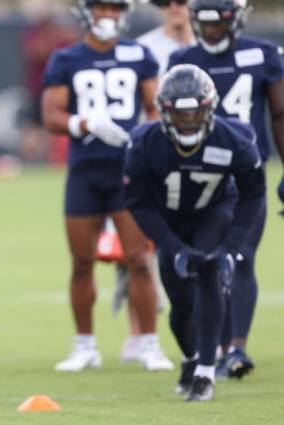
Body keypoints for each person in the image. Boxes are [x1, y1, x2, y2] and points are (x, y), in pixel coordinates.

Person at [41, 0, 172, 372]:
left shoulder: (139, 54)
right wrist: (84, 123)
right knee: (82, 261)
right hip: (85, 171)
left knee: (139, 259)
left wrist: (145, 141)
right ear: (87, 12)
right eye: (102, 8)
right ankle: (85, 345)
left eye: (116, 9)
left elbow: (154, 108)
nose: (109, 16)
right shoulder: (66, 59)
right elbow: (51, 115)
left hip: (129, 171)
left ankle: (147, 342)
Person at [124, 64, 265, 401]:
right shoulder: (144, 144)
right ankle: (190, 358)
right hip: (169, 219)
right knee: (181, 304)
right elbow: (139, 204)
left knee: (209, 269)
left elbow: (253, 194)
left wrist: (231, 247)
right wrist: (172, 246)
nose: (188, 122)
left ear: (210, 108)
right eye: (180, 115)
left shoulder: (234, 139)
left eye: (195, 113)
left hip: (213, 211)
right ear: (164, 112)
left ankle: (205, 371)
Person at [168, 0, 284, 379]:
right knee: (205, 261)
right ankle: (213, 349)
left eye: (219, 23)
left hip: (246, 170)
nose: (211, 30)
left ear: (235, 20)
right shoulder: (183, 58)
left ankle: (236, 348)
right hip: (200, 173)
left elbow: (280, 114)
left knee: (242, 257)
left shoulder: (263, 53)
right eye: (204, 23)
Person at [107, 0, 197, 365]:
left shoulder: (212, 43)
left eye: (184, 2)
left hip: (203, 158)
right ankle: (139, 335)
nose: (176, 8)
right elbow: (144, 106)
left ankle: (220, 341)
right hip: (158, 157)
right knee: (140, 248)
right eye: (169, 2)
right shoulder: (144, 47)